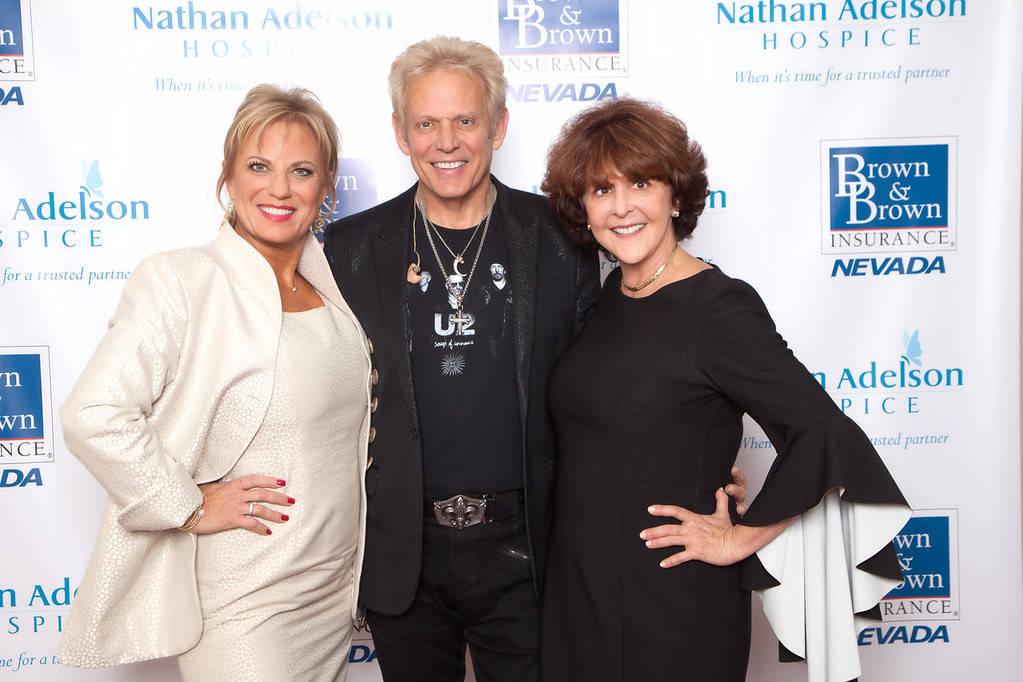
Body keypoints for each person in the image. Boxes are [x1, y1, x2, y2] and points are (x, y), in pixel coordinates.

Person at [538, 97, 911, 682]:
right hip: (579, 590)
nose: (622, 207)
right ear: (582, 207)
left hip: (669, 599)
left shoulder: (718, 308)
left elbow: (824, 433)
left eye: (641, 182)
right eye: (601, 190)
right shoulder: (611, 297)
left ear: (676, 196)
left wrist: (741, 539)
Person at [58, 85, 371, 681]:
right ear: (228, 176)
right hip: (243, 598)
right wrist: (189, 503)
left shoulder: (336, 288)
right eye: (258, 167)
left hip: (332, 595)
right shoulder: (182, 279)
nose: (278, 189)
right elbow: (92, 413)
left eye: (300, 171)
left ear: (325, 186)